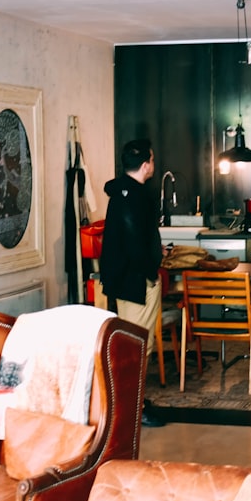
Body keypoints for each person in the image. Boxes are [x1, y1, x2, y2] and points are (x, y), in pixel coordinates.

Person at [100, 138, 166, 426]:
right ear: (145, 164)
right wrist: (153, 265)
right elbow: (136, 244)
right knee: (139, 344)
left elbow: (128, 239)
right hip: (138, 282)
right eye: (152, 160)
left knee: (131, 341)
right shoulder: (137, 198)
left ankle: (131, 401)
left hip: (124, 280)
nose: (153, 164)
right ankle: (132, 407)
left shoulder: (120, 194)